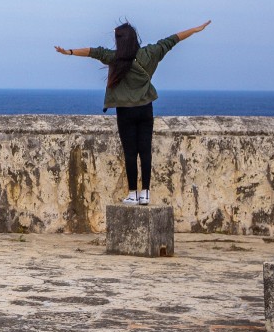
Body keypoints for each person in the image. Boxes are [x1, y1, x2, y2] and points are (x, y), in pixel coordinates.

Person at [55, 19, 211, 205]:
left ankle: (132, 194)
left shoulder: (115, 57)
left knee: (130, 152)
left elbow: (92, 52)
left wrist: (69, 52)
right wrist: (195, 29)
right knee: (145, 151)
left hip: (125, 112)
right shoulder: (150, 53)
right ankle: (145, 193)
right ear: (135, 38)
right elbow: (173, 39)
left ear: (120, 41)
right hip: (145, 109)